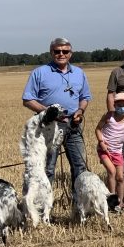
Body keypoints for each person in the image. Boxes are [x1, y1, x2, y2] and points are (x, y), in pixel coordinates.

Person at [21, 37, 91, 183]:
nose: (61, 54)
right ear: (51, 52)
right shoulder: (39, 72)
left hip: (74, 124)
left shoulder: (79, 73)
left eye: (65, 51)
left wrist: (80, 111)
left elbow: (85, 97)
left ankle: (78, 203)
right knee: (48, 168)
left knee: (80, 166)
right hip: (49, 125)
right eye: (57, 51)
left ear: (70, 53)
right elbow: (27, 100)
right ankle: (45, 203)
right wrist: (49, 112)